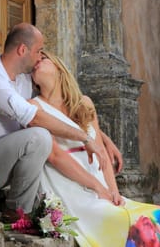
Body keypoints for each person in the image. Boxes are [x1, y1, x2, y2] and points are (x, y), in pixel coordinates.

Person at [0, 22, 121, 220]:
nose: (40, 57)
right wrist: (84, 138)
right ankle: (18, 212)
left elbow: (59, 111)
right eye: (39, 51)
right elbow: (34, 117)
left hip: (9, 161)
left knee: (40, 137)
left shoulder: (23, 80)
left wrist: (102, 139)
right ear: (23, 49)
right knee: (39, 136)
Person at [30, 51, 160, 247]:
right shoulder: (34, 107)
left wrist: (113, 192)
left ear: (59, 68)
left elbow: (101, 153)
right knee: (137, 228)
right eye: (34, 62)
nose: (36, 63)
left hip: (99, 183)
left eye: (43, 58)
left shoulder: (84, 103)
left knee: (154, 217)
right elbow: (55, 156)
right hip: (69, 187)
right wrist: (98, 188)